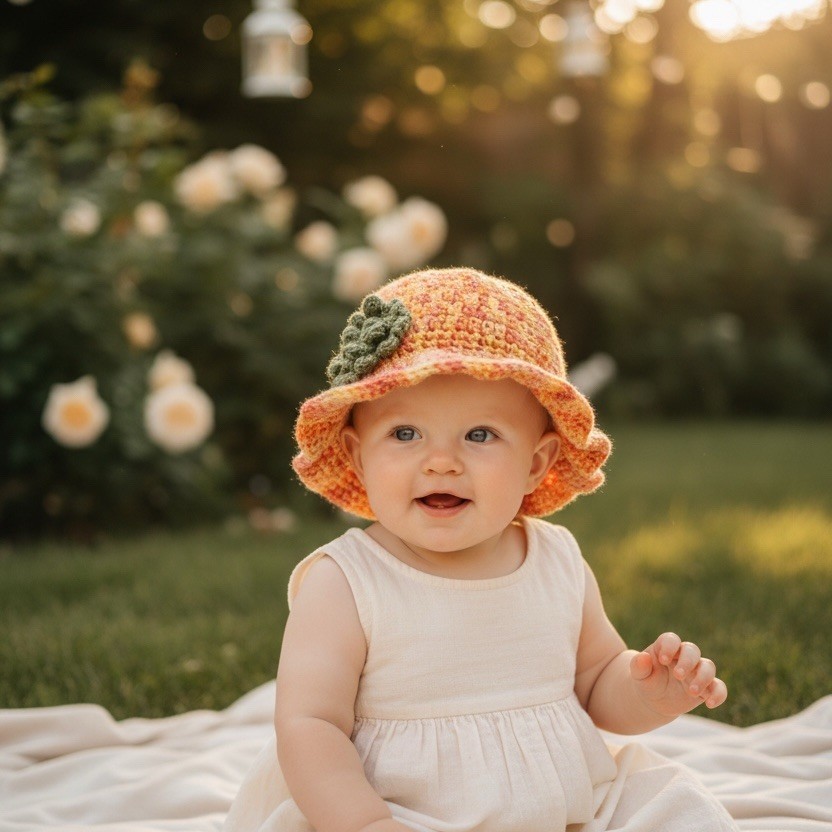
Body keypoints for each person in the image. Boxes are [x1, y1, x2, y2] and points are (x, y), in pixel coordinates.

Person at [224, 267, 737, 832]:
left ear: (535, 464)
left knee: (680, 810)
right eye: (404, 434)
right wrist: (367, 824)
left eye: (479, 435)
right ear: (358, 454)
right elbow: (309, 726)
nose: (441, 461)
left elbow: (594, 683)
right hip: (392, 811)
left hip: (562, 810)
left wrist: (647, 692)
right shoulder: (346, 582)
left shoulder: (556, 561)